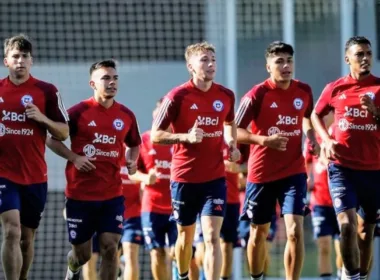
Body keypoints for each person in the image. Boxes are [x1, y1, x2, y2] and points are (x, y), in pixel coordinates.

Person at [151, 41, 240, 280]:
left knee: (212, 237)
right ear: (190, 66)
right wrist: (185, 137)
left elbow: (230, 124)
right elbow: (156, 135)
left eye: (213, 59)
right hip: (184, 179)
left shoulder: (226, 95)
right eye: (204, 60)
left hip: (215, 179)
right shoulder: (176, 96)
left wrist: (231, 144)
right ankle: (181, 275)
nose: (211, 64)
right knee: (185, 239)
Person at [46, 59, 141, 280]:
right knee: (83, 254)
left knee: (110, 247)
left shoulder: (126, 115)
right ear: (92, 83)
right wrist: (74, 157)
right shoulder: (78, 112)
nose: (112, 83)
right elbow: (52, 140)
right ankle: (73, 268)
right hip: (80, 195)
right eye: (105, 78)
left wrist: (131, 160)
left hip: (112, 195)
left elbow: (134, 144)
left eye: (115, 78)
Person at [236, 41, 318, 280]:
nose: (285, 66)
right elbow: (234, 131)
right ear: (268, 67)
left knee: (294, 231)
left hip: (293, 172)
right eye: (279, 61)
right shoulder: (256, 95)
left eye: (289, 61)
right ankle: (256, 276)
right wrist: (264, 141)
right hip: (261, 175)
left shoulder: (304, 91)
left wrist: (311, 137)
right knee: (259, 232)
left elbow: (306, 117)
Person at [0, 34, 69, 280]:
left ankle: (23, 277)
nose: (20, 61)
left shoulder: (46, 91)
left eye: (25, 57)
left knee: (27, 240)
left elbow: (63, 132)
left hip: (34, 176)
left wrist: (42, 118)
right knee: (11, 231)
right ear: (6, 60)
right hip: (4, 174)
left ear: (32, 61)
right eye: (15, 56)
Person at [311, 36, 380, 280]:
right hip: (342, 167)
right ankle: (349, 277)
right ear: (347, 58)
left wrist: (375, 113)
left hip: (374, 170)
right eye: (359, 54)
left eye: (368, 54)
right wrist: (326, 141)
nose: (365, 58)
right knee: (347, 225)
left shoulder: (379, 88)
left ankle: (361, 277)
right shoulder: (335, 88)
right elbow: (315, 115)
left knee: (365, 231)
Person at [130, 99, 177, 280]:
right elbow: (132, 173)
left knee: (177, 252)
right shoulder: (144, 140)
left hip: (177, 207)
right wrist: (145, 178)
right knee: (157, 253)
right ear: (154, 115)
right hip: (152, 208)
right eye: (160, 112)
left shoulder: (179, 141)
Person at [304, 115, 342, 280]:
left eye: (328, 112)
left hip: (341, 200)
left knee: (342, 246)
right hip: (319, 201)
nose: (325, 116)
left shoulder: (341, 134)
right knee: (324, 245)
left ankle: (342, 275)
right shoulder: (313, 139)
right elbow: (306, 164)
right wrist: (307, 180)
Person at [120, 163, 144, 280]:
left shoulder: (140, 153)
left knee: (130, 252)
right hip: (111, 213)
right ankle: (119, 270)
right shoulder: (111, 151)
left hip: (134, 215)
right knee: (110, 254)